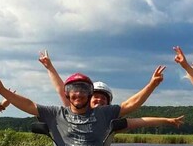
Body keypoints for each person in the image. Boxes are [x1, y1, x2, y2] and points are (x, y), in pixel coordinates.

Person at [0, 68, 165, 146]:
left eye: (83, 89)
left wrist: (152, 85)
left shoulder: (103, 114)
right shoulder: (56, 114)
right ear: (67, 93)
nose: (78, 93)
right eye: (73, 89)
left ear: (89, 93)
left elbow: (130, 105)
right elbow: (28, 105)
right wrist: (2, 90)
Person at [36, 50, 183, 129]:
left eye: (103, 98)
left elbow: (141, 120)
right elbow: (61, 89)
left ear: (108, 103)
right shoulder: (71, 111)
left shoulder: (110, 121)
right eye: (95, 96)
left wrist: (167, 120)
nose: (99, 100)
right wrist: (49, 67)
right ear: (87, 97)